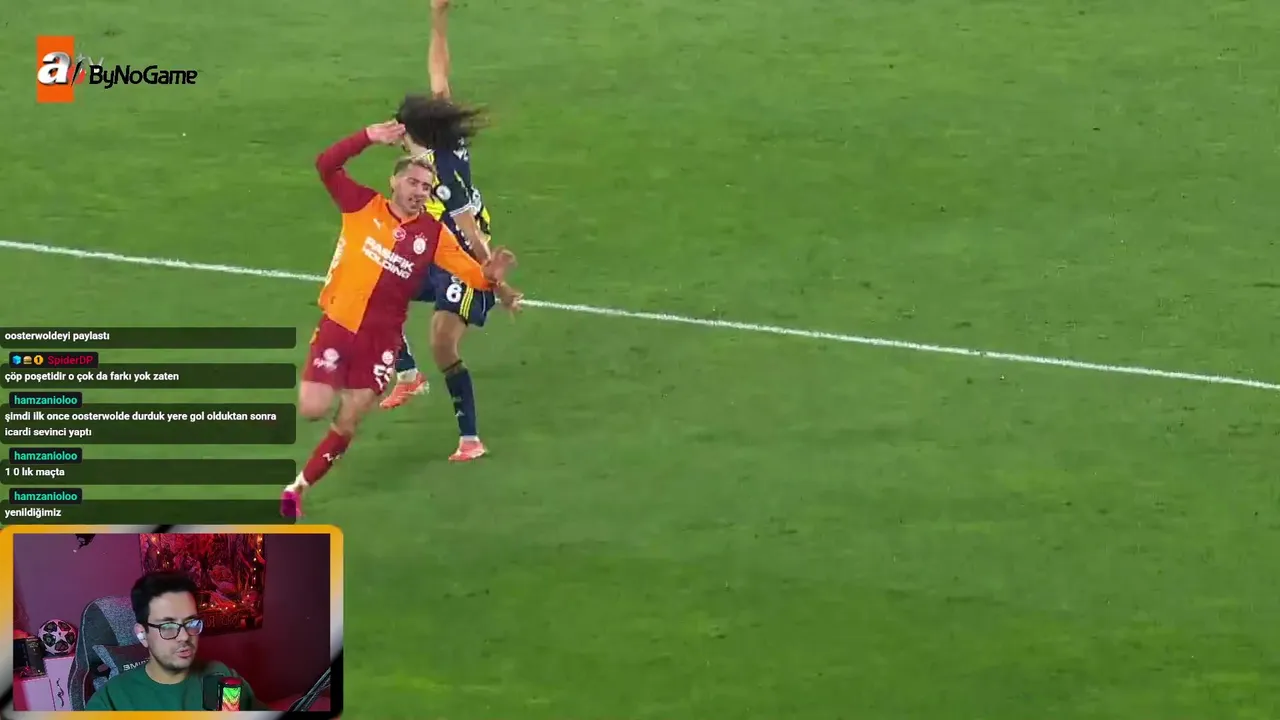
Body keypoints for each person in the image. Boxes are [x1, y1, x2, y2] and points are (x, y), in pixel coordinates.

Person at [282, 119, 514, 517]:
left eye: (426, 187)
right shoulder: (362, 205)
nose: (420, 192)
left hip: (380, 343)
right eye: (413, 183)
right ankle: (333, 394)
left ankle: (297, 489)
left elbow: (472, 274)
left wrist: (491, 276)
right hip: (339, 326)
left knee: (349, 419)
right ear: (395, 182)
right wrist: (366, 137)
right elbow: (325, 165)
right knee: (312, 408)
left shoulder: (433, 234)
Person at [379, 0, 524, 463]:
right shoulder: (438, 138)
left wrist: (497, 285)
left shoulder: (442, 174)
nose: (399, 134)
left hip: (462, 254)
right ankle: (408, 376)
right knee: (376, 288)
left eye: (403, 130)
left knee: (443, 342)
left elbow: (470, 231)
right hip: (434, 247)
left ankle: (470, 439)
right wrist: (438, 17)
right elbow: (439, 70)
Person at [85, 572, 260, 711]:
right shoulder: (112, 700)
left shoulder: (222, 676)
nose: (184, 636)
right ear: (142, 635)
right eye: (168, 626)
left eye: (191, 623)